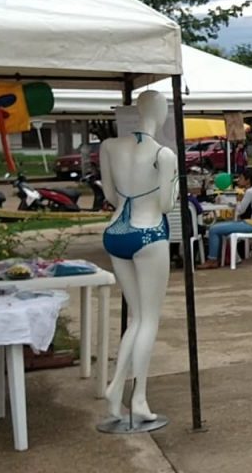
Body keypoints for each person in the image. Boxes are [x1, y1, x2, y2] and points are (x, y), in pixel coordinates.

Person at [99, 90, 177, 422]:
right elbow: (165, 205)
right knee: (149, 320)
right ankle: (138, 397)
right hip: (148, 234)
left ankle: (117, 386)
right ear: (160, 114)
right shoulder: (164, 153)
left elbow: (107, 194)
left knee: (136, 318)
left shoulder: (110, 146)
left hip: (116, 231)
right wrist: (171, 183)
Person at [198, 170, 252, 269]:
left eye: (241, 178)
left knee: (214, 229)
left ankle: (212, 260)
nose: (238, 180)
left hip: (250, 225)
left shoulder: (250, 191)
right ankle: (219, 258)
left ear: (247, 181)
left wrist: (238, 200)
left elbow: (240, 211)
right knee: (219, 229)